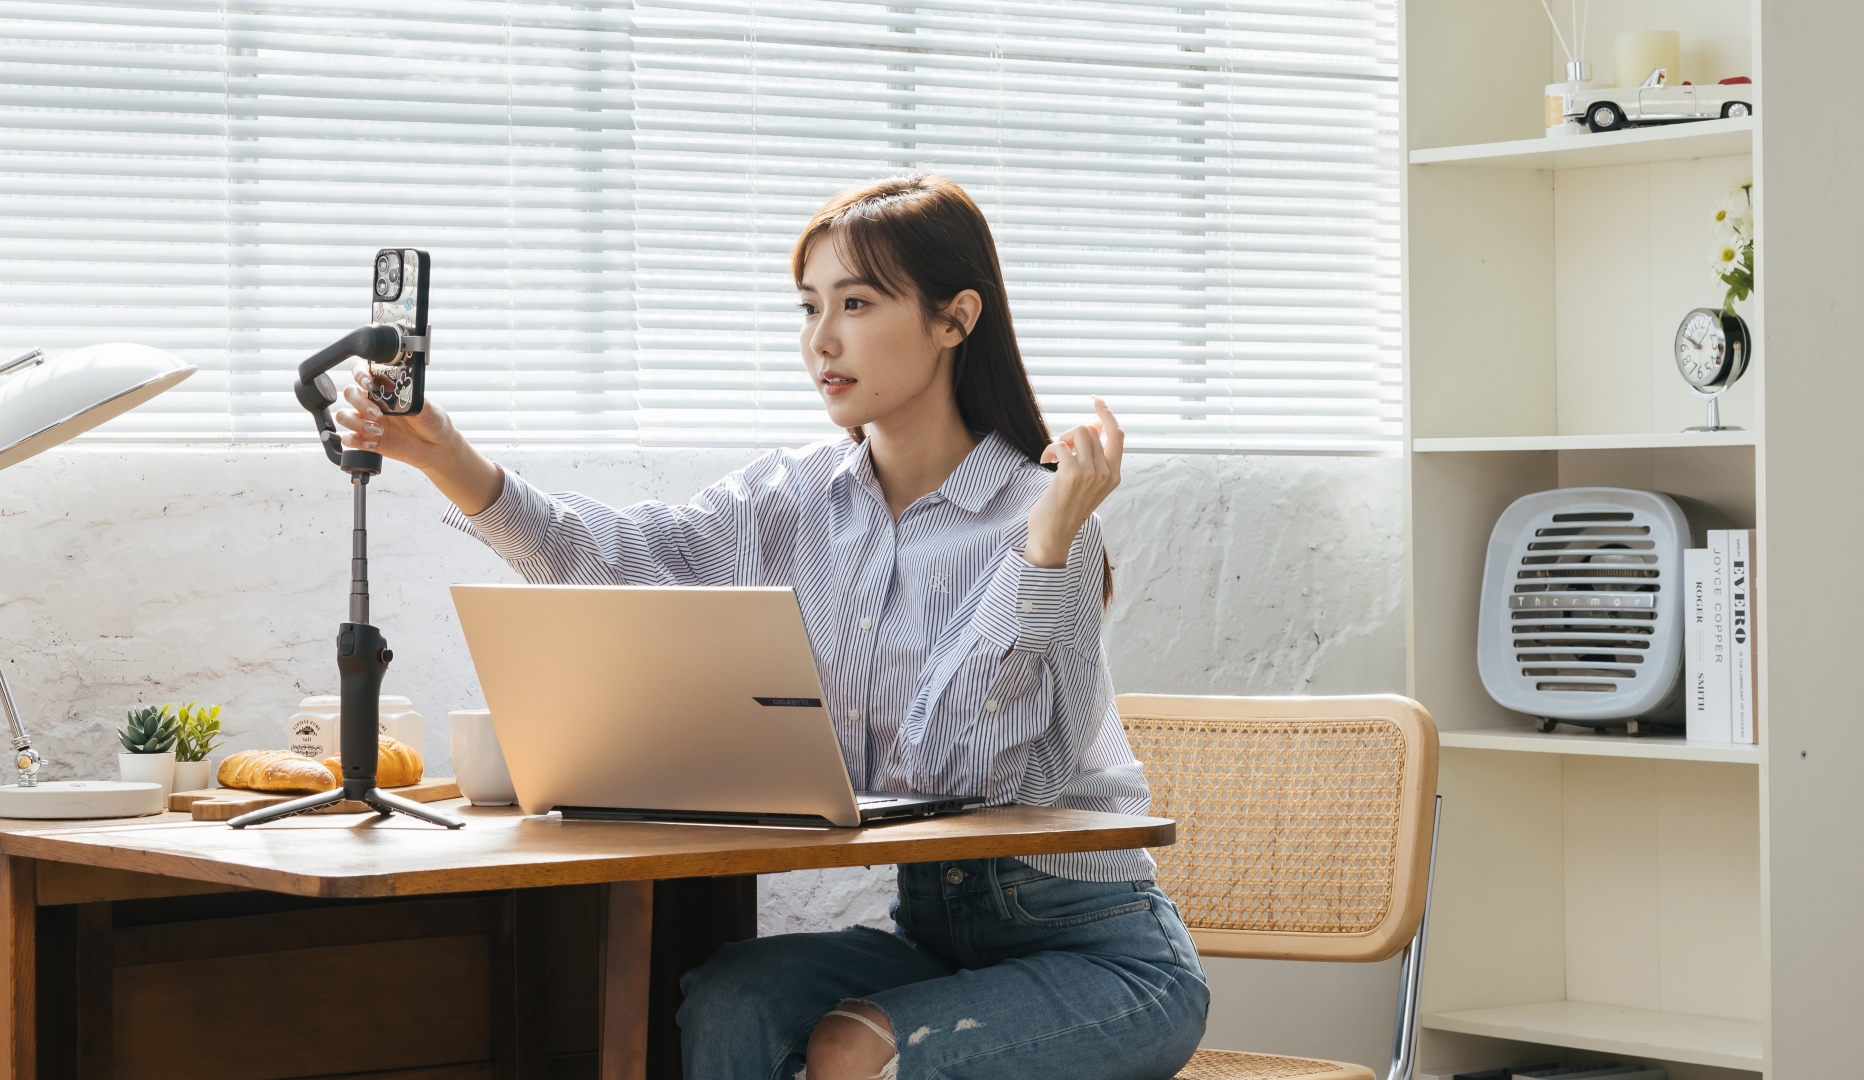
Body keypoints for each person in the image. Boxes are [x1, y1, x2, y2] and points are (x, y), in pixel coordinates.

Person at [333, 175, 1208, 1080]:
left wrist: (1045, 545)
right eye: (809, 307)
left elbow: (952, 763)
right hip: (940, 945)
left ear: (955, 319)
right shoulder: (793, 500)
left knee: (848, 1047)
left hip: (1106, 959)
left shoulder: (1047, 518)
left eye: (857, 303)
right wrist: (449, 461)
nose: (821, 340)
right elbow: (627, 557)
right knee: (732, 997)